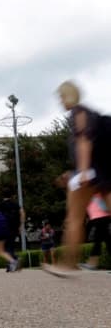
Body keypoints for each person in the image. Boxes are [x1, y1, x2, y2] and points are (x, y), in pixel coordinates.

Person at [43, 81, 111, 278]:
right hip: (104, 173)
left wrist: (81, 172)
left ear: (68, 96)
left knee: (73, 219)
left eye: (61, 97)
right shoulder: (90, 113)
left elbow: (84, 140)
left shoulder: (78, 112)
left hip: (91, 173)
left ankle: (68, 264)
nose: (60, 100)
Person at [79, 194, 111, 270]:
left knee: (98, 239)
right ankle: (92, 263)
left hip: (101, 215)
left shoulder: (95, 185)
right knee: (107, 240)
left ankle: (92, 263)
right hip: (98, 216)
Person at [1, 196, 23, 271]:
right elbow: (22, 213)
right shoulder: (15, 204)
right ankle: (13, 262)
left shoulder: (2, 205)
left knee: (5, 248)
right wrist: (20, 225)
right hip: (15, 228)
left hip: (6, 228)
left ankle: (12, 262)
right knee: (11, 246)